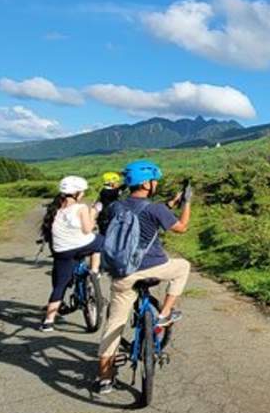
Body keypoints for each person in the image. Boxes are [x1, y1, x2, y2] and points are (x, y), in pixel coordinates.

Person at [96, 159, 191, 394]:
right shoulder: (155, 209)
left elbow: (137, 216)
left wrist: (170, 203)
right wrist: (186, 203)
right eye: (154, 180)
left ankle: (105, 378)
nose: (156, 183)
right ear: (148, 184)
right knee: (183, 267)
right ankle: (165, 314)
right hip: (154, 268)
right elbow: (181, 227)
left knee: (114, 325)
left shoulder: (115, 208)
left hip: (122, 274)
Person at [41, 176, 103, 332]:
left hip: (62, 251)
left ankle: (48, 321)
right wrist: (94, 212)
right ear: (77, 193)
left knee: (59, 285)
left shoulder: (55, 208)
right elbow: (88, 229)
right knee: (101, 242)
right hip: (81, 245)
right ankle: (94, 271)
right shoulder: (81, 208)